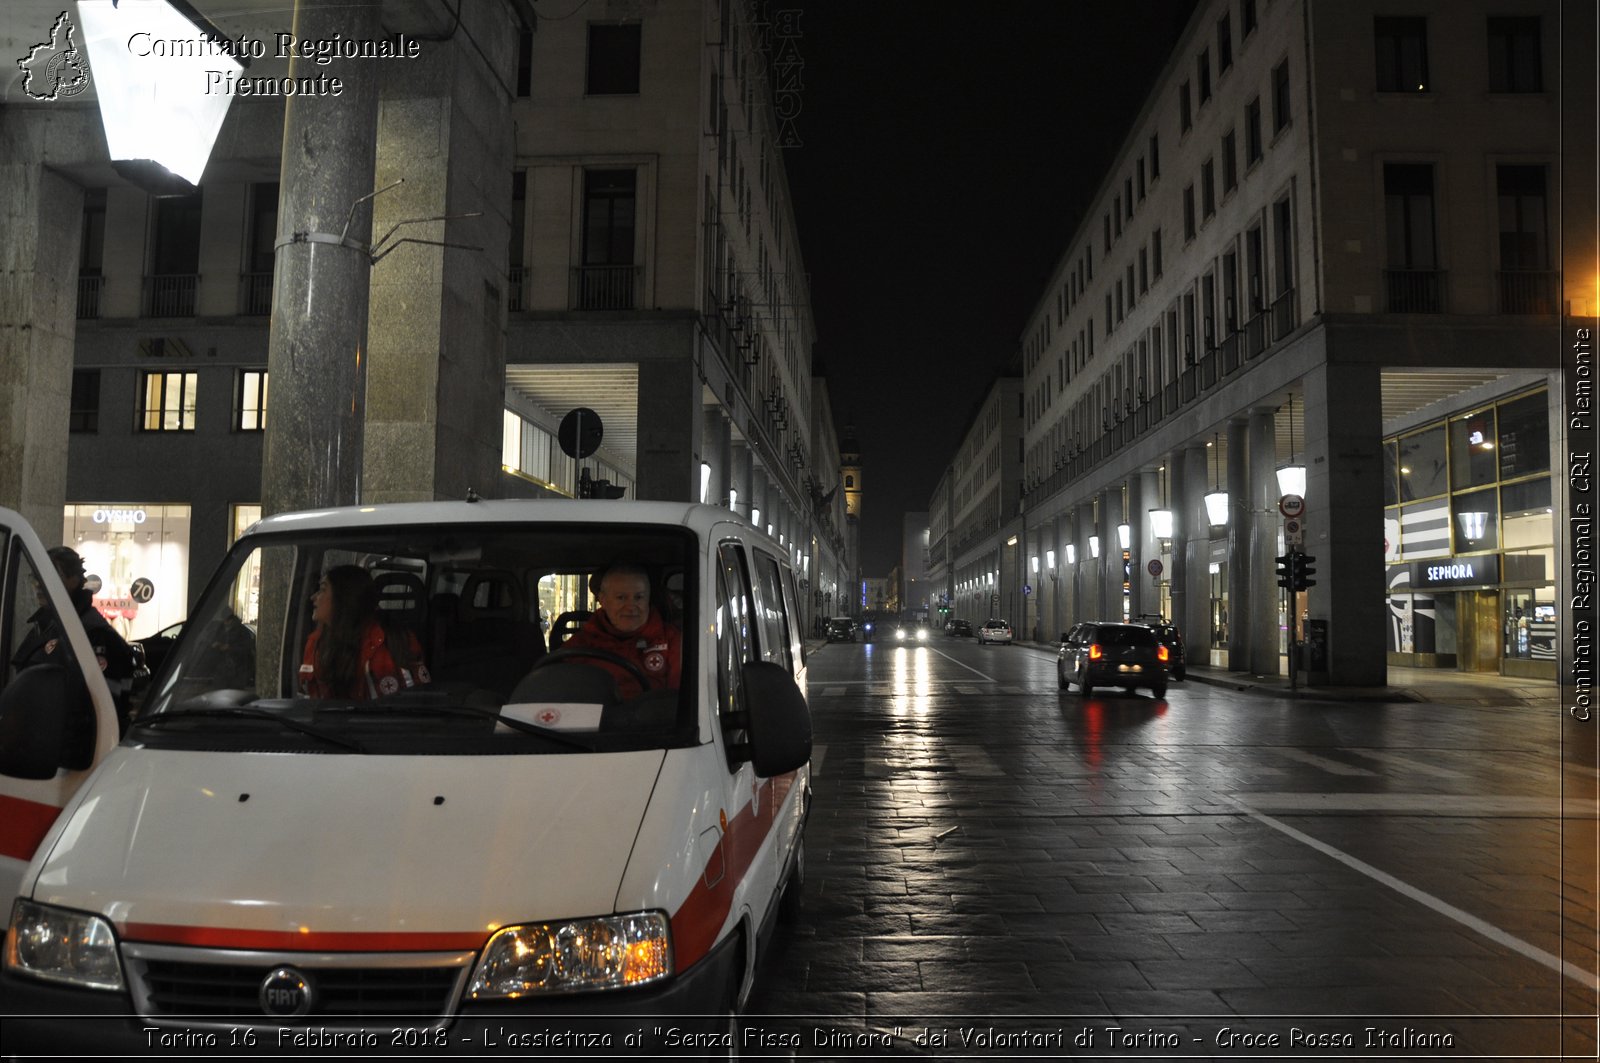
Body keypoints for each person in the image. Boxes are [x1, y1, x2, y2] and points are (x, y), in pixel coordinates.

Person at [11, 547, 136, 732]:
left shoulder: (93, 633)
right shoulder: (48, 625)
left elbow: (100, 711)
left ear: (74, 580)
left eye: (51, 575)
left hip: (67, 751)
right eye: (36, 577)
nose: (39, 583)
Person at [298, 565, 429, 699]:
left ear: (344, 598)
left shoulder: (392, 642)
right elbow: (307, 701)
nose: (313, 597)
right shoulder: (314, 643)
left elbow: (410, 706)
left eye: (322, 590)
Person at [561, 563, 682, 699]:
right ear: (603, 600)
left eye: (639, 597)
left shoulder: (671, 640)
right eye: (621, 598)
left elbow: (680, 700)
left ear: (648, 599)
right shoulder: (580, 645)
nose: (631, 606)